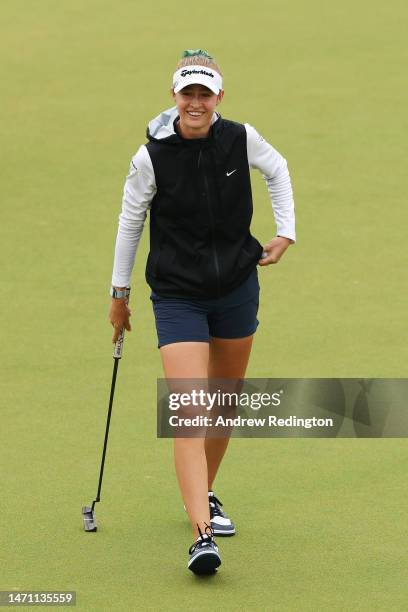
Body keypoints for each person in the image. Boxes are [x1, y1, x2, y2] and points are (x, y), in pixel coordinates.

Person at [109, 49, 296, 575]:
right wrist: (119, 294)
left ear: (218, 97)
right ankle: (201, 534)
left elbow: (278, 170)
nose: (196, 102)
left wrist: (286, 232)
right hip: (178, 296)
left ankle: (204, 493)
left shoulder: (241, 137)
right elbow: (130, 223)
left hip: (237, 286)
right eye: (187, 93)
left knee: (222, 404)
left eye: (204, 94)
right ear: (174, 96)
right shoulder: (150, 156)